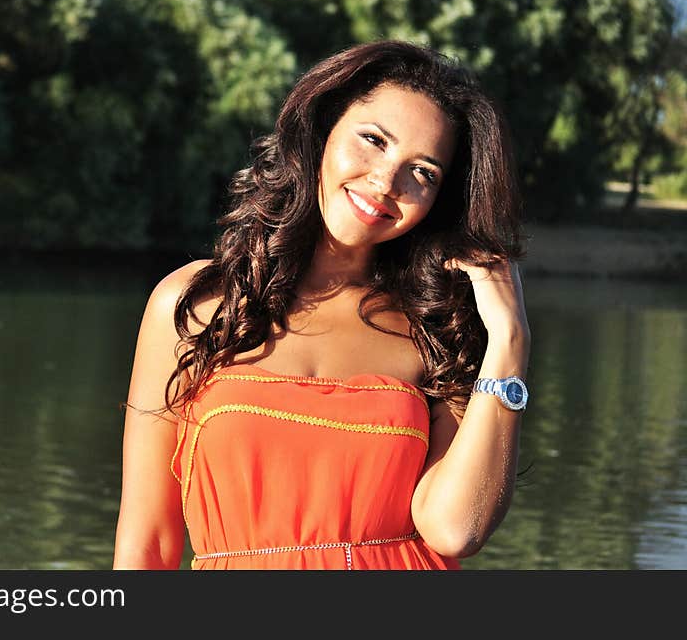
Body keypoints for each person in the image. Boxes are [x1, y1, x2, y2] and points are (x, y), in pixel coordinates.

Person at [113, 39, 530, 570]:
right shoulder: (197, 303)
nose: (385, 182)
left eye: (422, 171)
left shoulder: (437, 328)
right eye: (373, 140)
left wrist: (510, 341)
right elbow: (147, 546)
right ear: (322, 131)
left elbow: (455, 529)